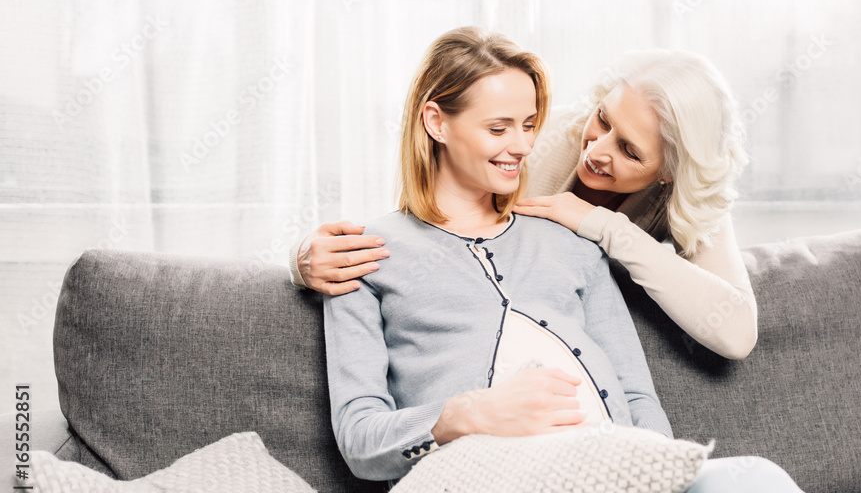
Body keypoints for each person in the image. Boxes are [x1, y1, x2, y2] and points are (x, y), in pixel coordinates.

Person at [323, 25, 858, 493]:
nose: (523, 146)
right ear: (436, 122)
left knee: (762, 488)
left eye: (528, 126)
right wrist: (467, 414)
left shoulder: (571, 236)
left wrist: (652, 479)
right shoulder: (365, 255)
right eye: (499, 129)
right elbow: (359, 437)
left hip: (622, 479)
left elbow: (637, 391)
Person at [292, 45, 757, 361]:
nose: (596, 150)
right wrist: (304, 260)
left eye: (630, 150)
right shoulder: (534, 140)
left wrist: (605, 226)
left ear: (670, 171)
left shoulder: (692, 194)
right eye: (603, 118)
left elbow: (736, 333)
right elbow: (416, 230)